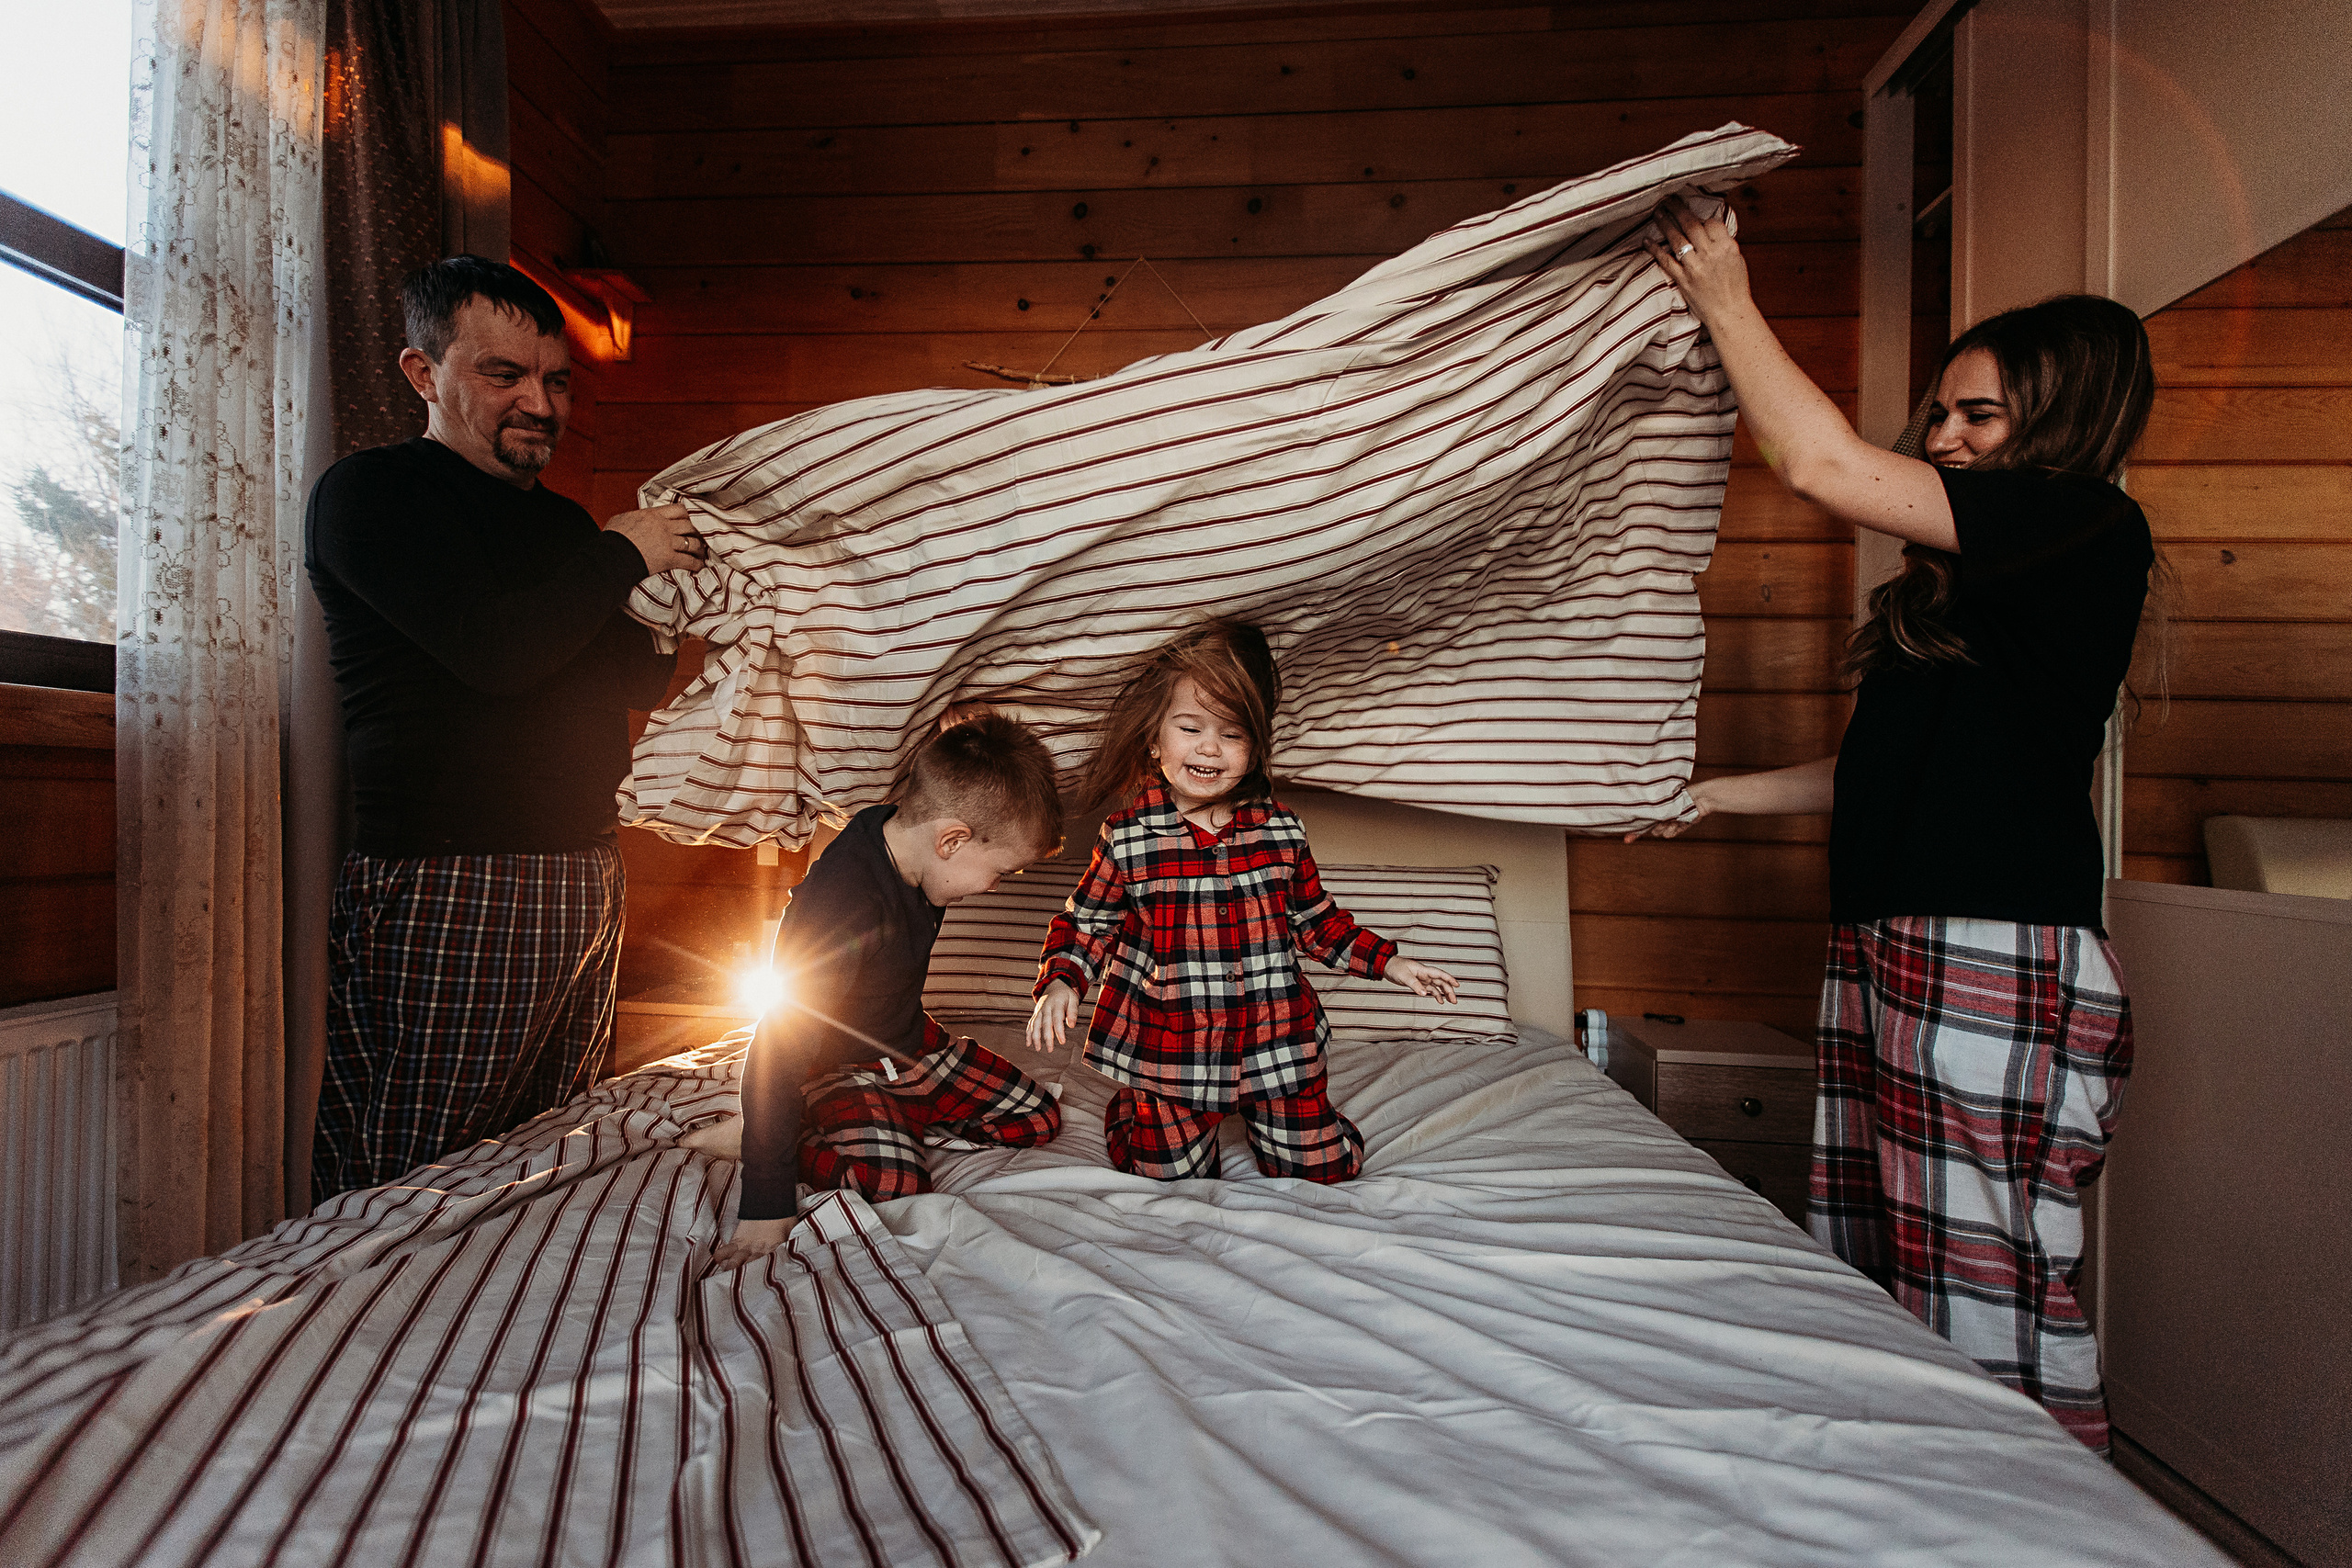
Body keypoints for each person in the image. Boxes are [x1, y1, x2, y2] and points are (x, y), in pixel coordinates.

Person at [1629, 199, 2158, 1454]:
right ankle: (1920, 1486)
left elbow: (1819, 465)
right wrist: (1708, 796)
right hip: (1892, 941)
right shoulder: (1971, 588)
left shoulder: (2084, 525)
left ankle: (2034, 1511)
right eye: (1940, 415)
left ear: (2063, 417)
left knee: (1980, 1271)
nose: (1944, 437)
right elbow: (1874, 768)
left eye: (1977, 414)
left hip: (1992, 944)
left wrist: (1724, 296)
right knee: (1886, 1251)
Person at [306, 255, 709, 1201]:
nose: (539, 401)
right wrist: (622, 554)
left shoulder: (567, 530)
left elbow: (629, 682)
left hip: (584, 867)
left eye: (556, 380)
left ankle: (499, 1341)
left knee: (548, 1145)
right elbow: (497, 652)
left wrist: (668, 604)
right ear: (424, 374)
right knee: (423, 1157)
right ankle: (374, 1333)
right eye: (504, 374)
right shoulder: (373, 494)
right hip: (458, 871)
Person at [1025, 622, 1460, 1184]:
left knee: (1322, 1168)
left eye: (1231, 734)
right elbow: (1089, 921)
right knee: (1170, 1174)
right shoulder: (1127, 836)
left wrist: (1392, 963)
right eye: (1190, 728)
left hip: (1275, 1042)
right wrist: (1062, 982)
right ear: (1155, 740)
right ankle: (1135, 1113)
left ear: (1254, 750)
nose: (1209, 747)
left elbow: (1315, 922)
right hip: (1173, 1050)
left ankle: (1295, 1126)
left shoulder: (1281, 832)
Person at [685, 715, 1068, 1267]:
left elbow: (946, 788)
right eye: (1001, 872)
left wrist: (966, 739)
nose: (993, 886)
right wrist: (765, 1205)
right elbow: (775, 1049)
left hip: (907, 1044)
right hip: (835, 1062)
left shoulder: (905, 832)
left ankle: (889, 1110)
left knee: (1037, 1116)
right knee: (892, 1183)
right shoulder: (841, 904)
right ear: (952, 840)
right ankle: (778, 1129)